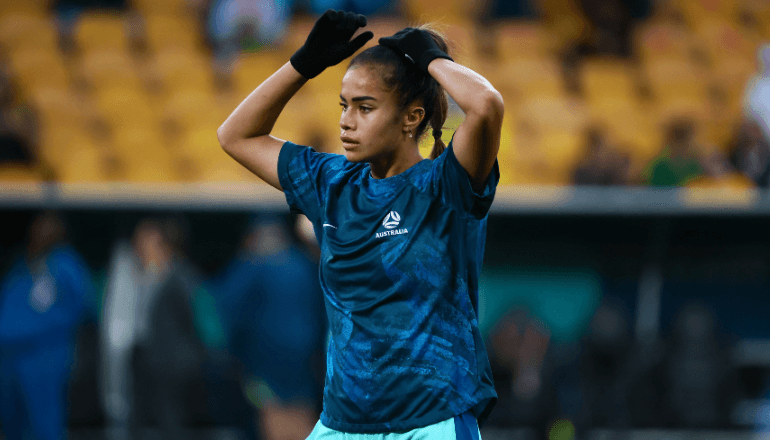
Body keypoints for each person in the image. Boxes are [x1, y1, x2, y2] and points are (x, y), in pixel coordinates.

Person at [217, 9, 503, 438]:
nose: (346, 121)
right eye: (344, 105)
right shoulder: (331, 183)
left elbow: (486, 105)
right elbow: (235, 136)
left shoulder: (445, 185)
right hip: (342, 425)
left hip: (432, 423)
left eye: (365, 107)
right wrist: (304, 63)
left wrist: (429, 58)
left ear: (411, 118)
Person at [0, 211, 92, 440]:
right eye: (39, 226)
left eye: (49, 226)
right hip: (10, 359)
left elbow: (79, 309)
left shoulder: (66, 265)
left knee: (45, 425)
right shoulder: (22, 264)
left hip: (44, 359)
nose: (42, 231)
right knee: (12, 424)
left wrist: (28, 331)